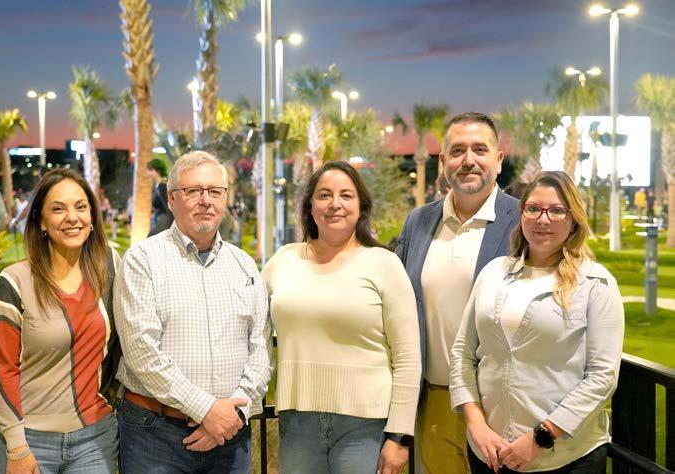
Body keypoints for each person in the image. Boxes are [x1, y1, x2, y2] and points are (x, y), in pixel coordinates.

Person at [450, 171, 624, 473]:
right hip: (489, 452)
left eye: (556, 211)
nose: (543, 220)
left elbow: (602, 377)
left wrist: (542, 437)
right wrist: (476, 424)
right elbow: (462, 354)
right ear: (522, 214)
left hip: (564, 458)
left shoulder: (595, 283)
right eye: (533, 209)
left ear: (574, 220)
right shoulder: (493, 273)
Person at [114, 151, 271, 473]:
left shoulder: (244, 265)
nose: (206, 201)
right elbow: (141, 352)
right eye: (193, 191)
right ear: (171, 199)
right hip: (155, 435)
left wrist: (234, 414)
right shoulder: (143, 260)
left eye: (215, 191)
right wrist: (208, 410)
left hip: (230, 436)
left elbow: (261, 348)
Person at [262, 160, 421, 474]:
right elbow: (247, 323)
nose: (335, 204)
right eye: (324, 195)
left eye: (346, 195)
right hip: (297, 423)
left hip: (365, 427)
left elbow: (407, 357)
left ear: (361, 208)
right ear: (310, 208)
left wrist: (399, 436)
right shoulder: (284, 260)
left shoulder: (384, 264)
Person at [395, 112, 520, 473]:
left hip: (500, 406)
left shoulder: (522, 222)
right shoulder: (419, 222)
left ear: (498, 159)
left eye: (480, 149)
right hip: (434, 399)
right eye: (457, 150)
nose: (468, 160)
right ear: (443, 161)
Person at [0, 169, 121, 473]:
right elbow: (2, 368)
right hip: (29, 441)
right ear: (41, 221)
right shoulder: (15, 281)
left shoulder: (110, 267)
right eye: (58, 209)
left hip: (94, 438)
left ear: (92, 216)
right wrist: (17, 446)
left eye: (81, 207)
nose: (72, 217)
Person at [147, 158, 173, 236]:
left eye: (150, 170)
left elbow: (168, 206)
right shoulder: (157, 185)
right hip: (159, 220)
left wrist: (172, 226)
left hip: (163, 222)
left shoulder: (162, 185)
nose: (148, 173)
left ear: (157, 170)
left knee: (150, 239)